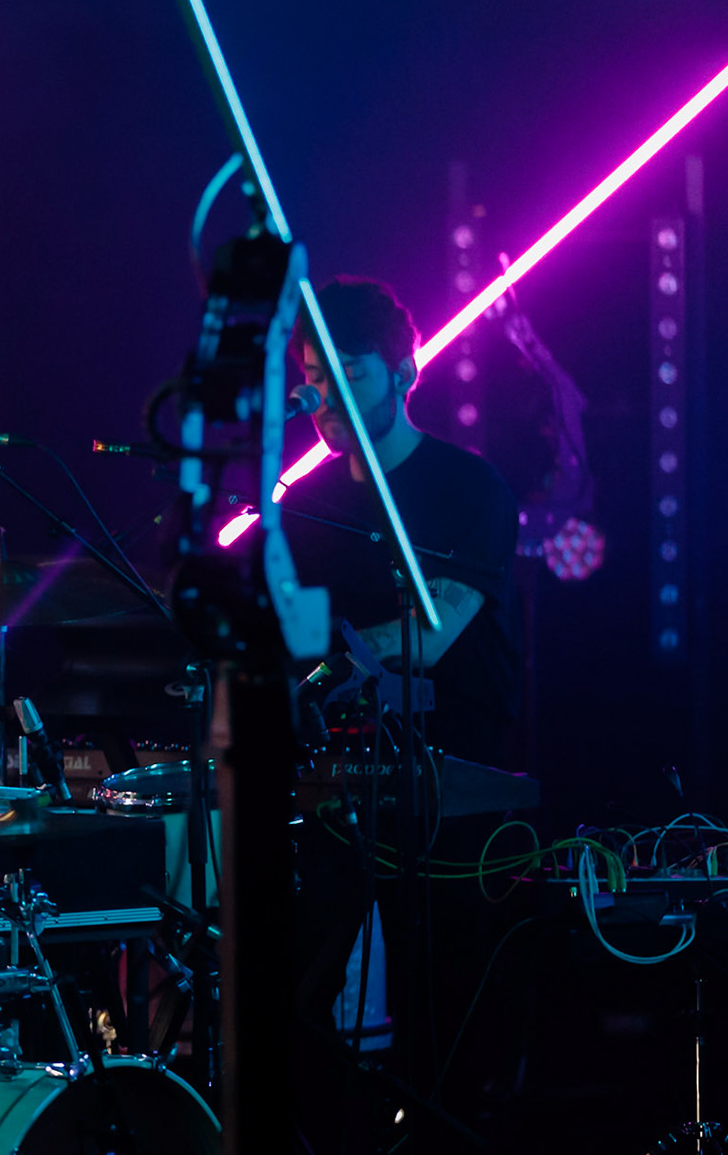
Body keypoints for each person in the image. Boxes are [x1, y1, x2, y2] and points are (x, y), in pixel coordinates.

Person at [284, 277, 524, 1151]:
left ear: (404, 371)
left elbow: (439, 623)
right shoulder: (303, 509)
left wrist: (324, 668)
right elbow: (286, 638)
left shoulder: (469, 489)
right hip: (337, 792)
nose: (325, 396)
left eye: (347, 371)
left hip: (453, 794)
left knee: (449, 1027)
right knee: (297, 1000)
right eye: (314, 374)